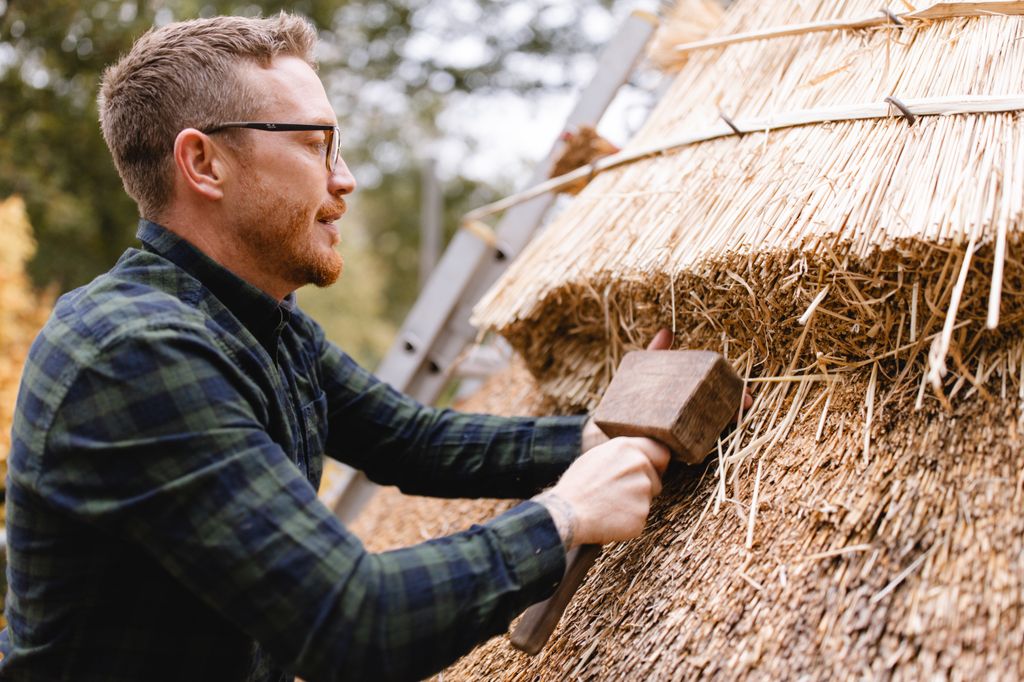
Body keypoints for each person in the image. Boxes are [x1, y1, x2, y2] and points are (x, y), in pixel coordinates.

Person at [0, 13, 683, 682]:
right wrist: (564, 516)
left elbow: (414, 440)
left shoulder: (258, 320)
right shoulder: (133, 354)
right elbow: (353, 623)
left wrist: (595, 439)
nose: (345, 178)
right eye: (313, 145)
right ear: (203, 163)